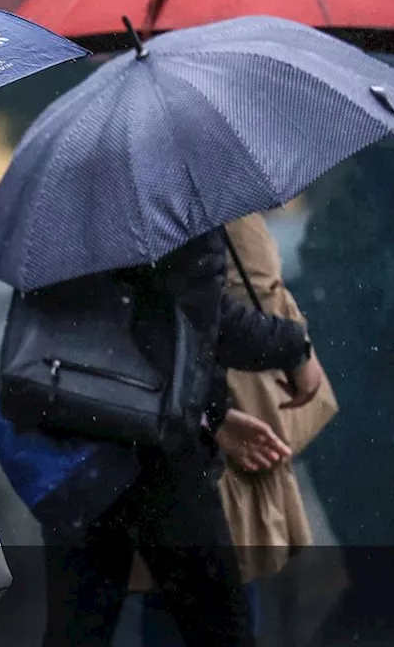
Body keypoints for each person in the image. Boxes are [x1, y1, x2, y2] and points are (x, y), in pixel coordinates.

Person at [31, 225, 327, 647]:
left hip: (77, 446)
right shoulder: (172, 201)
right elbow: (206, 322)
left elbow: (130, 323)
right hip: (158, 453)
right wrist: (294, 348)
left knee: (77, 628)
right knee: (219, 628)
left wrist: (215, 413)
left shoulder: (61, 209)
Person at [131, 213, 343, 645]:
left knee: (171, 600)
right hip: (209, 432)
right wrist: (216, 413)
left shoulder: (125, 206)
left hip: (156, 430)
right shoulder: (194, 200)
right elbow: (214, 310)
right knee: (215, 601)